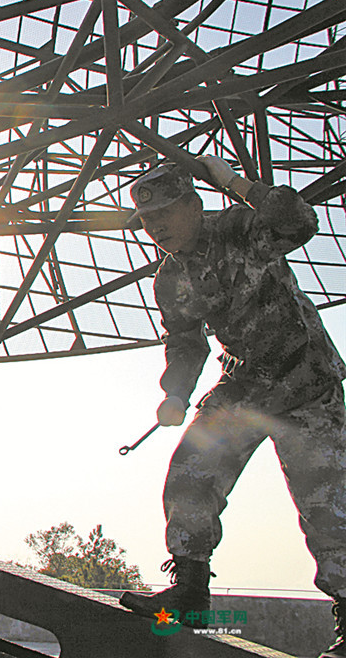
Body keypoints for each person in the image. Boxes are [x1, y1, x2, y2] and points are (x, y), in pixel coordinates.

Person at [118, 156, 346, 657]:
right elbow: (185, 343)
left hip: (304, 379)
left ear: (194, 205)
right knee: (191, 474)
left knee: (329, 509)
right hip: (245, 384)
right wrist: (175, 393)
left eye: (165, 215)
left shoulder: (241, 229)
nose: (156, 228)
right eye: (148, 221)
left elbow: (299, 223)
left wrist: (232, 181)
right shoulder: (170, 279)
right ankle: (189, 593)